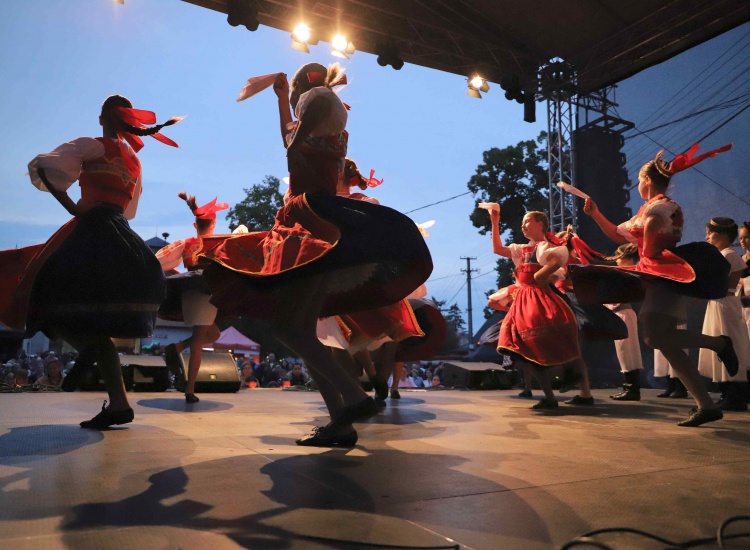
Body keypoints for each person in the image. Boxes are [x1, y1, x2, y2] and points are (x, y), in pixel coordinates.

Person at [202, 63, 432, 447]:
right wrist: (280, 100)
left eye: (293, 94)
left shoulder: (319, 103)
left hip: (307, 223)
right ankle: (340, 421)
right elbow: (290, 136)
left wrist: (291, 108)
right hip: (314, 219)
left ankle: (353, 397)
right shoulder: (324, 122)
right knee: (302, 332)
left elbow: (292, 141)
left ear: (302, 91)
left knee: (289, 328)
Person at [1, 95, 180, 427]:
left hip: (90, 234)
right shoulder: (134, 162)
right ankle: (117, 401)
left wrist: (68, 201)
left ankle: (90, 355)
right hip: (124, 240)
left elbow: (42, 166)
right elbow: (129, 211)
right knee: (93, 328)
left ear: (102, 118)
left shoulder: (91, 145)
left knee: (47, 301)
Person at [574, 144, 737, 427]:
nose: (638, 184)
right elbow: (619, 235)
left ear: (647, 180)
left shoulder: (663, 206)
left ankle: (718, 347)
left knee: (655, 336)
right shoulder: (649, 208)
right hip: (657, 274)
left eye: (639, 180)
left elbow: (656, 233)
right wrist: (596, 214)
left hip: (666, 273)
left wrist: (647, 249)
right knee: (662, 340)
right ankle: (707, 402)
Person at [487, 205, 581, 410]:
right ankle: (550, 393)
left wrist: (542, 273)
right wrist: (495, 222)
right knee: (526, 346)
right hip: (523, 300)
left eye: (527, 221)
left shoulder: (546, 246)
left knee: (543, 337)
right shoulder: (521, 249)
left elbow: (558, 259)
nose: (523, 225)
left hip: (540, 297)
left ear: (540, 224)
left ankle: (571, 373)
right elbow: (498, 249)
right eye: (522, 223)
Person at [156, 193, 230, 404]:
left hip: (189, 294)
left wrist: (182, 277)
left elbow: (158, 261)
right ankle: (189, 390)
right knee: (198, 341)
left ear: (194, 224)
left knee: (213, 334)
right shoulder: (218, 243)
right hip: (206, 295)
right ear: (213, 223)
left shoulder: (185, 243)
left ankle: (177, 347)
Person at [697, 218, 749, 411]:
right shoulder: (724, 255)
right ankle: (726, 392)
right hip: (719, 303)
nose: (707, 237)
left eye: (710, 233)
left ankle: (735, 395)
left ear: (722, 235)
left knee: (728, 342)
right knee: (719, 343)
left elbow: (715, 281)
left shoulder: (728, 255)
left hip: (724, 303)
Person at [603, 244, 645, 401]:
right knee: (624, 351)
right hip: (620, 313)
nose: (617, 261)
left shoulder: (630, 274)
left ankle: (632, 388)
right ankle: (630, 386)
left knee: (627, 350)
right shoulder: (624, 274)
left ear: (627, 258)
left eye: (619, 258)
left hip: (624, 313)